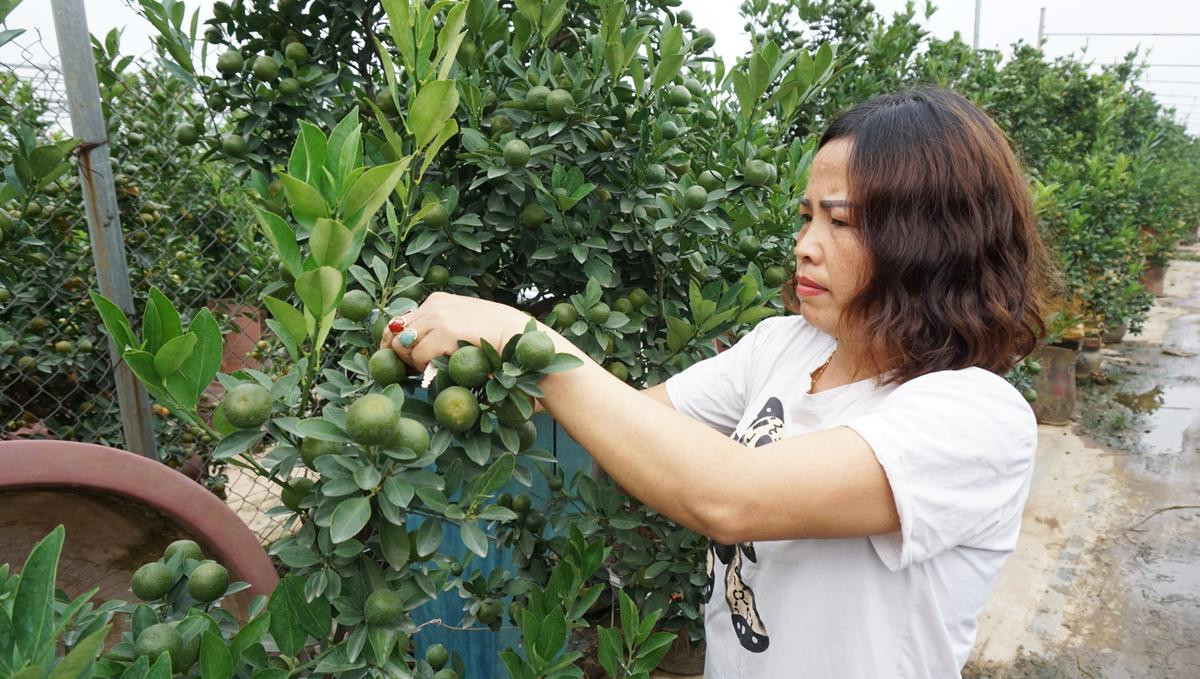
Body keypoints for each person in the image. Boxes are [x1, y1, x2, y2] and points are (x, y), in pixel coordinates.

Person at [380, 87, 1055, 678]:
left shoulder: (974, 415)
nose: (806, 244)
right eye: (806, 215)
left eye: (840, 221)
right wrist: (481, 368)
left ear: (931, 241)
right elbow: (630, 424)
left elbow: (730, 495)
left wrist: (520, 333)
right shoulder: (784, 347)